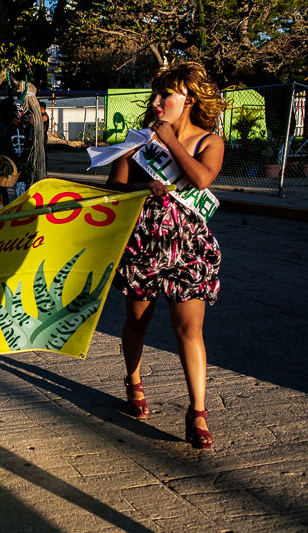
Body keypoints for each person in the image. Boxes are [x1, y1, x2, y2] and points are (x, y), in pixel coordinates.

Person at [106, 61, 226, 450]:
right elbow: (115, 186)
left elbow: (202, 179)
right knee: (136, 321)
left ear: (188, 99)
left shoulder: (210, 141)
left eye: (165, 95)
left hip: (189, 247)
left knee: (189, 328)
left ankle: (198, 411)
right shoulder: (138, 140)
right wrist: (145, 184)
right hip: (143, 243)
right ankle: (134, 381)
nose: (156, 102)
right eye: (155, 95)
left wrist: (170, 140)